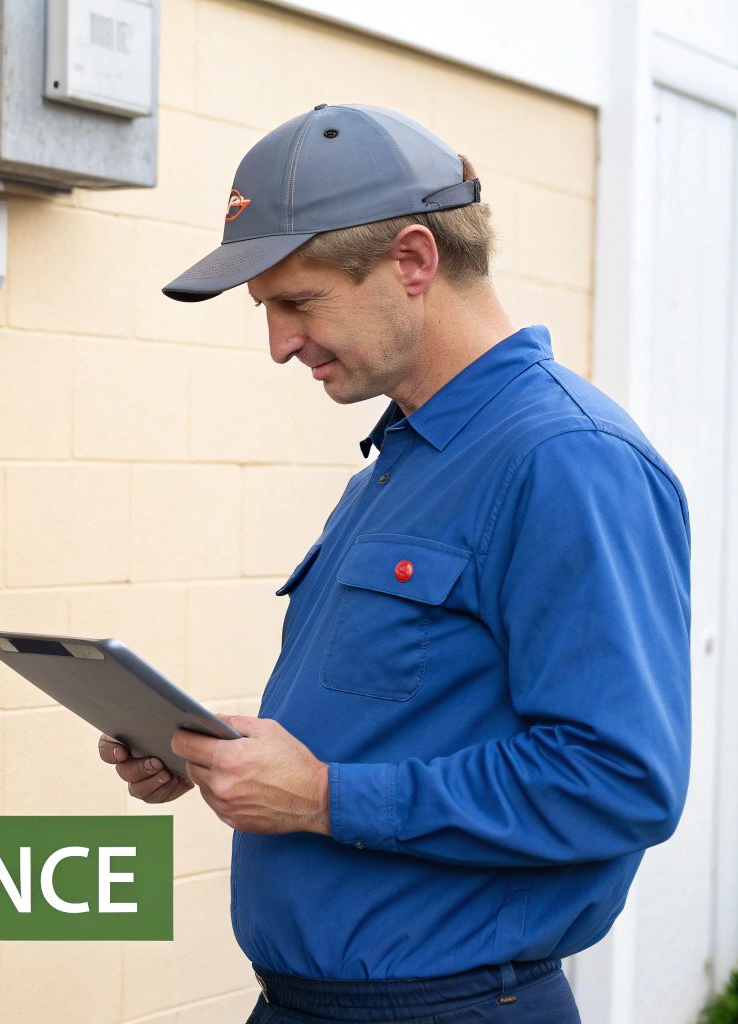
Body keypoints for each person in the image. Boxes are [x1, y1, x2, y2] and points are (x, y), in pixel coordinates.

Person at [100, 103, 692, 1023]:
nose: (279, 344)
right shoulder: (407, 461)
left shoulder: (567, 460)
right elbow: (409, 716)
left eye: (298, 302)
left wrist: (329, 798)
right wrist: (227, 761)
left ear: (414, 260)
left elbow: (619, 782)